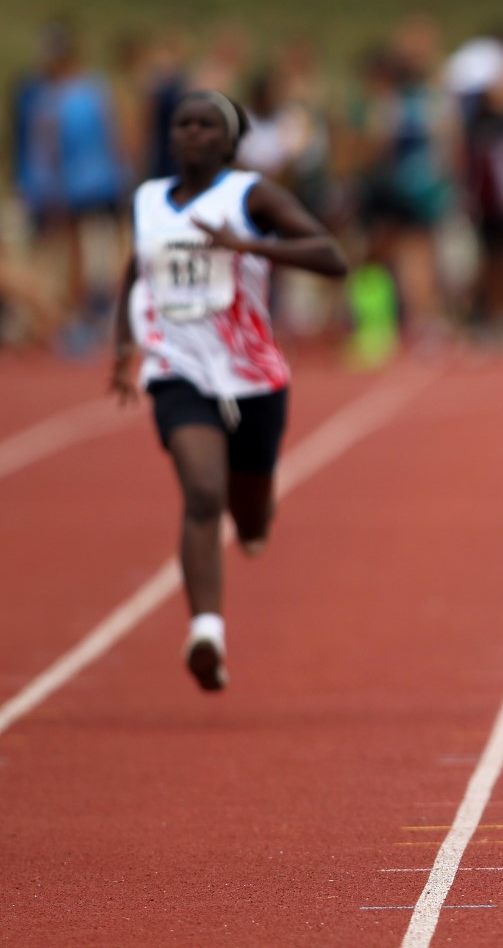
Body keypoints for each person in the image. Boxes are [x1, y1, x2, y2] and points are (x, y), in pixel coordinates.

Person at [110, 90, 348, 692]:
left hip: (251, 373)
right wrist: (122, 346)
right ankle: (206, 632)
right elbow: (137, 269)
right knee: (202, 491)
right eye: (182, 124)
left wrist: (248, 246)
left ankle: (254, 518)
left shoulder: (252, 196)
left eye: (205, 125)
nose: (191, 133)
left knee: (250, 515)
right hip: (176, 369)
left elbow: (331, 256)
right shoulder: (147, 199)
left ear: (231, 141)